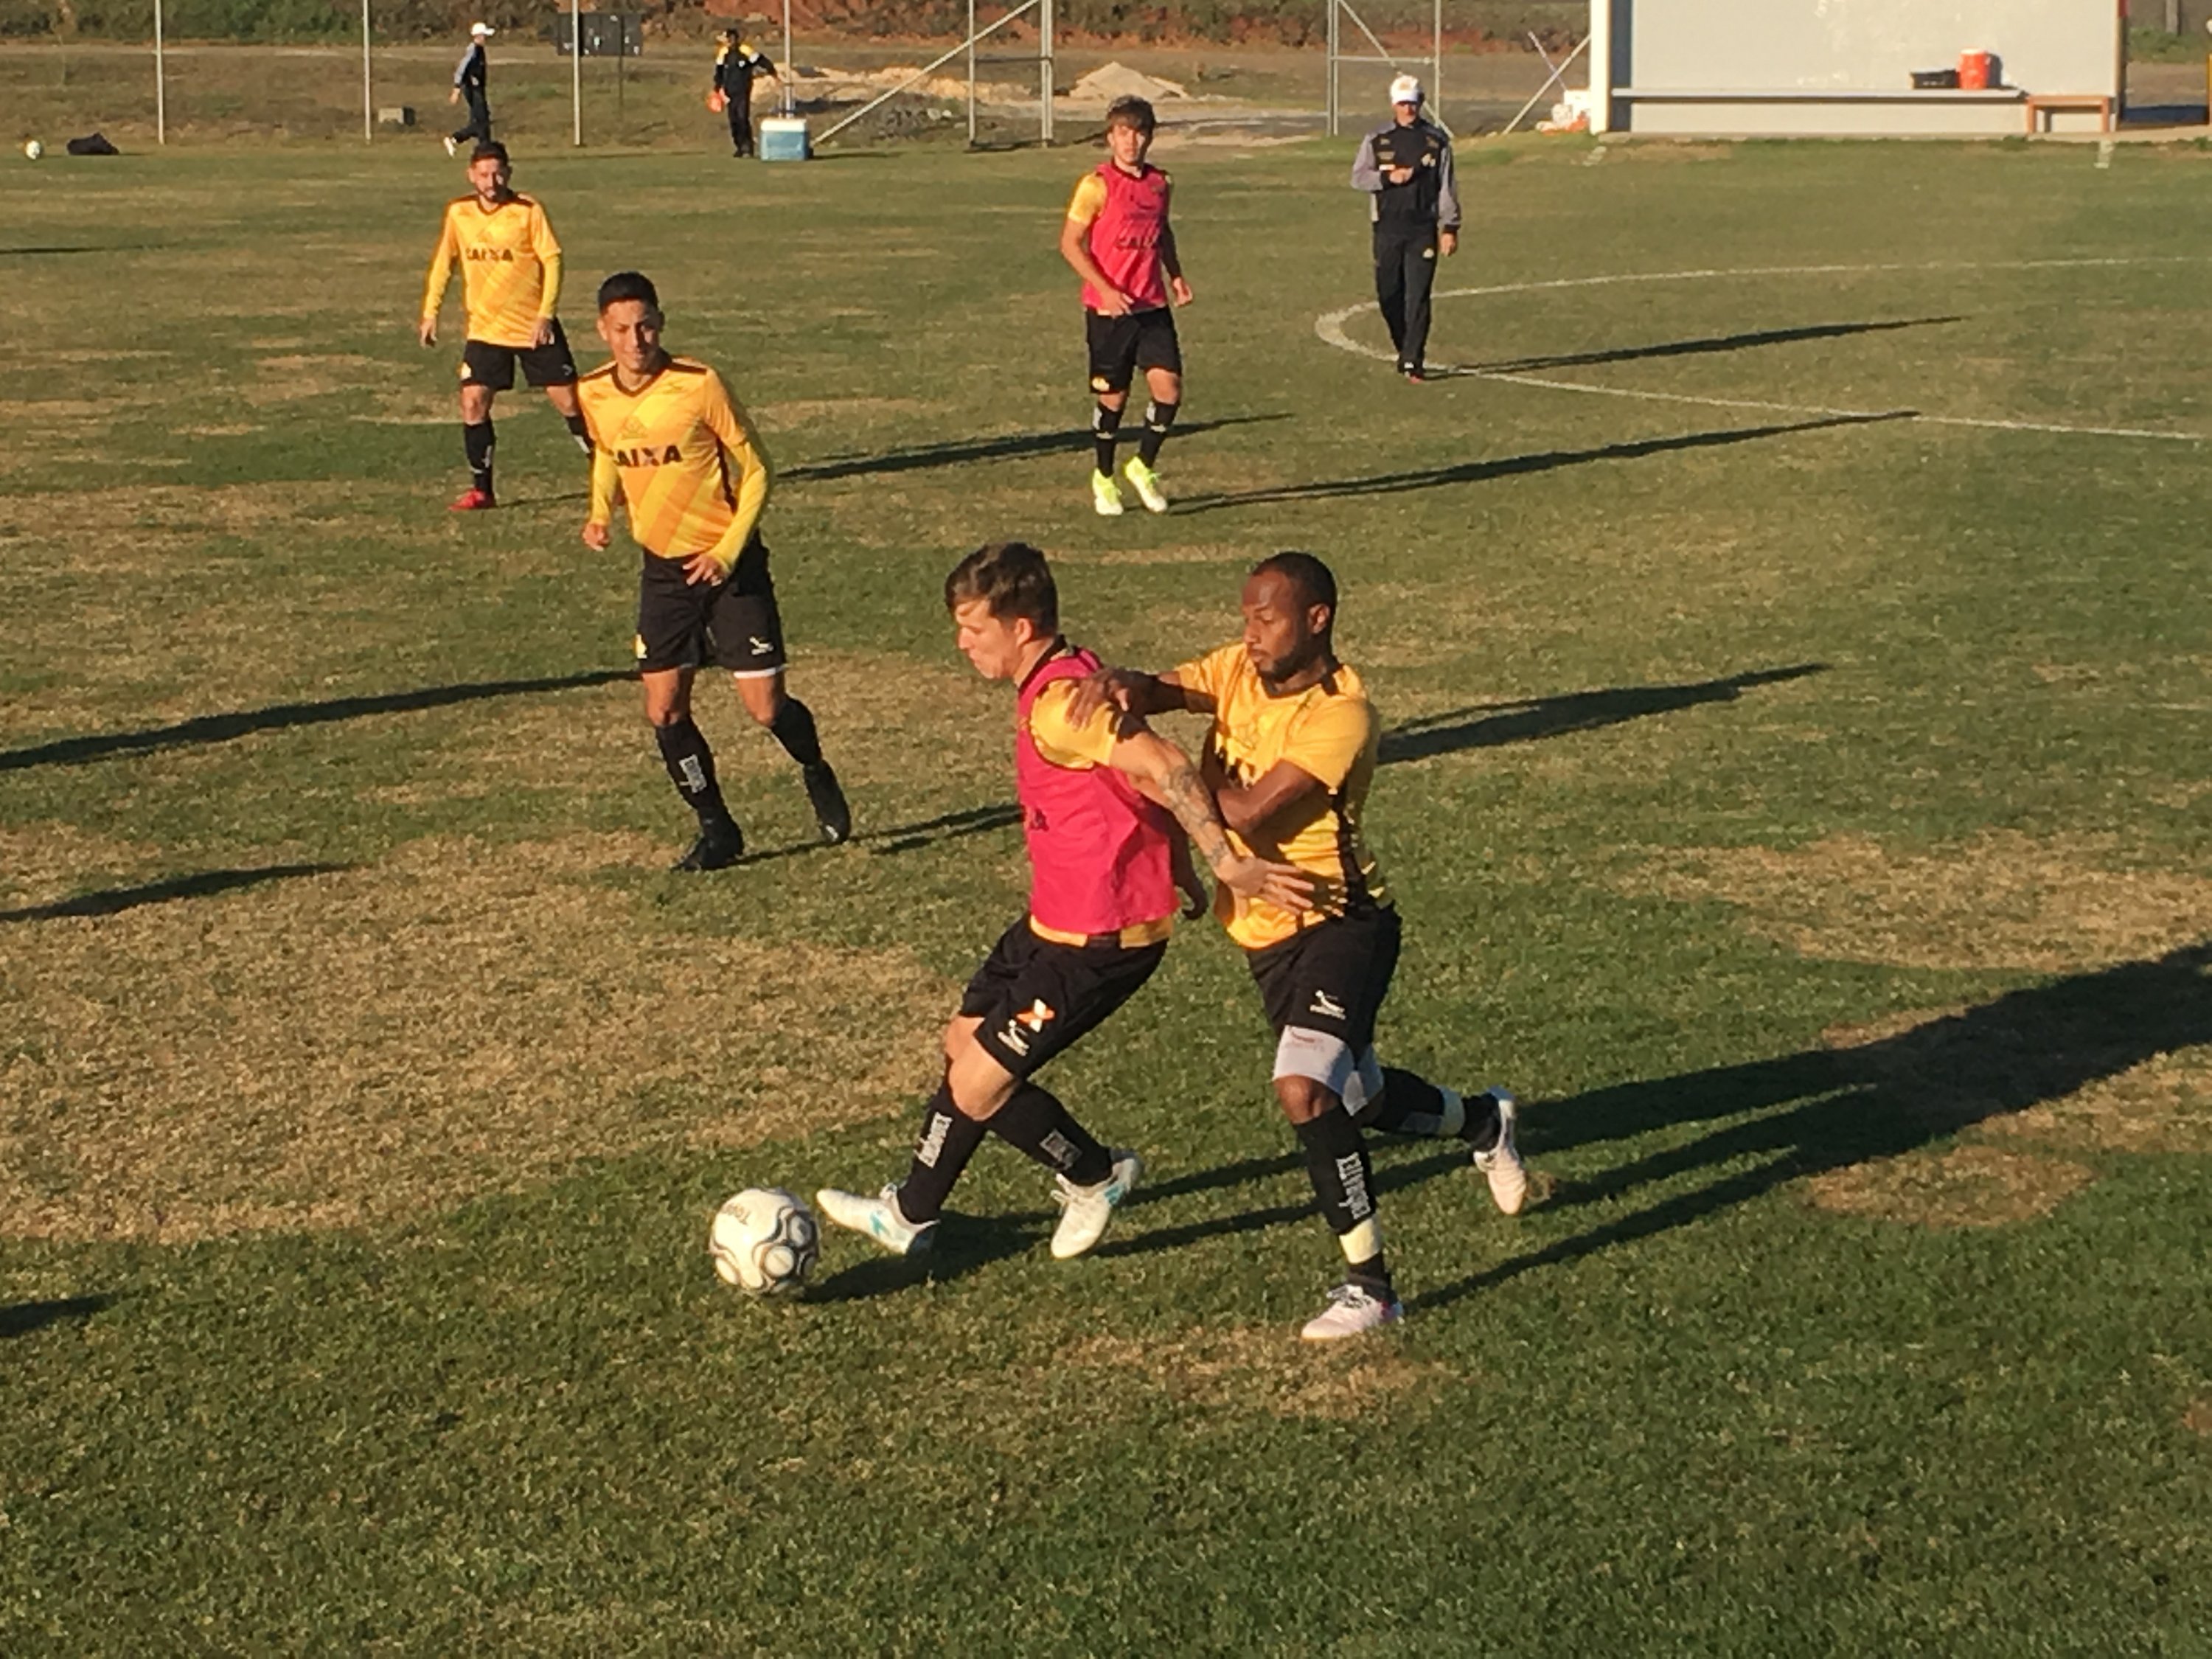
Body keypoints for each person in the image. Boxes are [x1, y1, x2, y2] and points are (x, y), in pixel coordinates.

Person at [1072, 553, 1528, 1340]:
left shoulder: (1343, 714)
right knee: (1363, 1101)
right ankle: (1486, 1122)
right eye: (1246, 616)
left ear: (1316, 620)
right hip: (1263, 932)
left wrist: (1163, 768)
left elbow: (1245, 810)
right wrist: (1122, 683)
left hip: (1341, 923)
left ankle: (1372, 1289)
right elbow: (1159, 687)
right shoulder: (1235, 667)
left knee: (1301, 1088)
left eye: (1267, 618)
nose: (1250, 634)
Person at [815, 541, 1311, 1265]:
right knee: (963, 1047)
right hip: (1050, 922)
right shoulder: (1065, 679)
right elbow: (1131, 784)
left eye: (974, 628)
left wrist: (1225, 859)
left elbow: (1168, 768)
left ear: (1021, 628)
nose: (961, 644)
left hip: (1099, 941)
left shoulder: (1060, 707)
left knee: (978, 1083)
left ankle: (914, 1213)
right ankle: (1093, 1174)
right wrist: (1174, 856)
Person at [576, 271, 852, 869]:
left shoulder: (699, 386)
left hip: (729, 565)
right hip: (664, 572)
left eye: (645, 324)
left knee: (765, 708)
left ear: (661, 322)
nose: (635, 339)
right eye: (622, 329)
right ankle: (717, 828)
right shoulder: (592, 391)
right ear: (602, 331)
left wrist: (726, 552)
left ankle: (814, 766)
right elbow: (606, 451)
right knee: (664, 710)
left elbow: (757, 472)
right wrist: (600, 512)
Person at [418, 141, 593, 512]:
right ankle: (482, 490)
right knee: (473, 402)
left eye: (498, 173)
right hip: (485, 330)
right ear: (471, 175)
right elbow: (443, 263)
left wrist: (546, 314)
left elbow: (554, 260)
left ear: (509, 173)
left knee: (570, 403)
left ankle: (607, 473)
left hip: (533, 328)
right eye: (483, 174)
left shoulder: (528, 211)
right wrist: (431, 312)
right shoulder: (459, 213)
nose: (491, 181)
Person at [1058, 94, 1191, 519]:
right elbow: (1070, 244)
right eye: (1121, 133)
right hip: (1108, 311)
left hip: (1151, 306)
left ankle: (1143, 466)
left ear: (1149, 137)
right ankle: (1104, 477)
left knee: (1169, 390)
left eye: (1137, 132)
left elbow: (1162, 232)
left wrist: (1175, 275)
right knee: (1113, 400)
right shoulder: (1095, 186)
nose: (1129, 141)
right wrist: (1106, 288)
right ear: (1109, 137)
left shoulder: (1160, 184)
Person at [1350, 74, 1460, 382]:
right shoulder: (1377, 139)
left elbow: (1446, 187)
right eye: (1402, 104)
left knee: (1418, 295)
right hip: (1386, 228)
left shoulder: (1437, 141)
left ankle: (1414, 360)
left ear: (1421, 103)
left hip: (1422, 228)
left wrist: (1449, 227)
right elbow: (1358, 178)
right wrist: (1387, 178)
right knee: (1389, 295)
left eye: (1412, 104)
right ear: (1393, 105)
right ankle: (1404, 347)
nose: (1408, 110)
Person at [711, 32, 779, 158]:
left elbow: (760, 60)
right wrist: (717, 88)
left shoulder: (745, 50)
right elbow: (719, 71)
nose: (728, 42)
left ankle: (747, 147)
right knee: (734, 121)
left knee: (742, 118)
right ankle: (739, 147)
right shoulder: (723, 53)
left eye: (729, 39)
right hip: (729, 92)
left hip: (743, 90)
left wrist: (771, 70)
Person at [445, 22, 495, 157]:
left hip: (478, 89)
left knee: (481, 123)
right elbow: (462, 68)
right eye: (484, 36)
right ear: (478, 36)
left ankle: (485, 150)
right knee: (481, 123)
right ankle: (454, 139)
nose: (486, 39)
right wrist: (457, 88)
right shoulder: (473, 50)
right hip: (474, 90)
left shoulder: (479, 50)